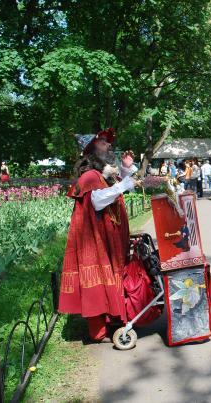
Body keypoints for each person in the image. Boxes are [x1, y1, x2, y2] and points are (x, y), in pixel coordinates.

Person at [60, 128, 140, 342]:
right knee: (97, 278)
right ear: (91, 149)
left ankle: (112, 317)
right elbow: (98, 200)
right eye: (103, 142)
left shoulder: (102, 174)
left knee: (110, 277)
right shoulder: (90, 175)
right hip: (94, 239)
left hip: (108, 235)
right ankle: (98, 332)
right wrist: (123, 184)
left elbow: (121, 187)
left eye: (108, 142)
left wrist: (125, 169)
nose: (109, 145)